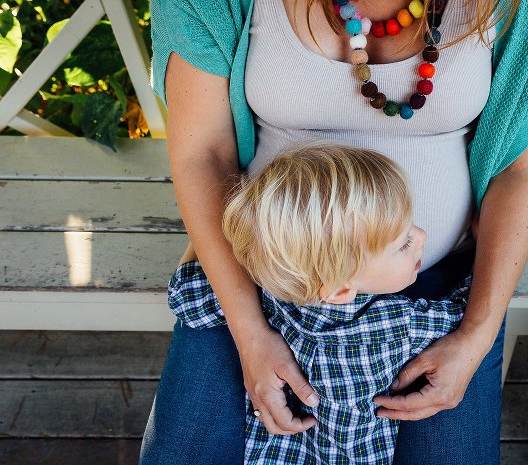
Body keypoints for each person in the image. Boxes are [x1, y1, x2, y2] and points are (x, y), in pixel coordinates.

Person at [140, 0, 528, 462]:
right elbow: (202, 153)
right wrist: (250, 332)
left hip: (440, 291)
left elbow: (518, 166)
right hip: (260, 275)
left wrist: (476, 333)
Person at [169, 142, 473, 463]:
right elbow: (464, 311)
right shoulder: (398, 324)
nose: (422, 235)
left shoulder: (270, 296)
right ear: (341, 291)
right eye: (403, 243)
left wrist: (204, 243)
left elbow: (185, 297)